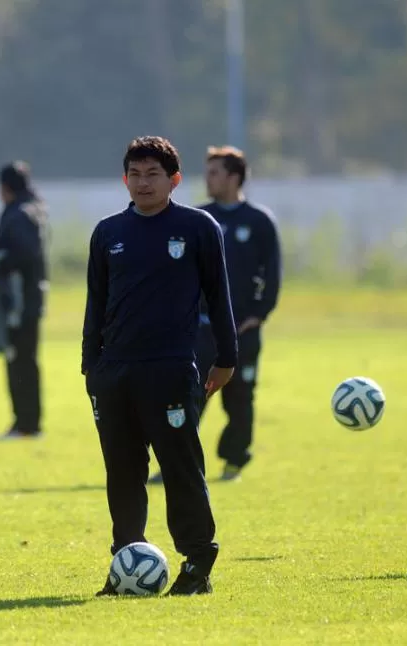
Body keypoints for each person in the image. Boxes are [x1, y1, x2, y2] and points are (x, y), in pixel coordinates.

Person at [82, 136, 237, 596]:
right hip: (113, 372)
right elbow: (97, 303)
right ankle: (127, 560)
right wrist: (91, 366)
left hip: (169, 368)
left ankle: (197, 562)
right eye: (135, 173)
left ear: (174, 180)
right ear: (124, 179)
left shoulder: (197, 227)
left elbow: (219, 296)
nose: (143, 183)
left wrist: (227, 358)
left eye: (153, 174)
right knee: (122, 470)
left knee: (179, 466)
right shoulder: (108, 232)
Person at [148, 146, 281, 484]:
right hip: (201, 330)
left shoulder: (259, 221)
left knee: (240, 400)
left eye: (214, 173)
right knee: (186, 398)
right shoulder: (198, 220)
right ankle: (175, 465)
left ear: (233, 177)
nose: (208, 179)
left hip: (242, 331)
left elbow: (273, 275)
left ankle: (234, 462)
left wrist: (259, 315)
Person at [0, 161, 49, 439]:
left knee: (20, 361)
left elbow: (21, 254)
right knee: (24, 360)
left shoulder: (20, 214)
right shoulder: (31, 209)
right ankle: (27, 422)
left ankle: (26, 424)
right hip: (30, 298)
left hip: (19, 302)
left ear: (4, 188)